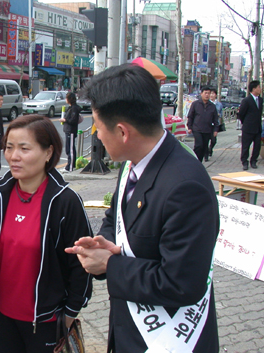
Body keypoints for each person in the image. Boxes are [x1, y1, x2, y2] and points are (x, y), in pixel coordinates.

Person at [66, 64, 219, 353]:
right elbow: (116, 217)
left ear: (123, 132)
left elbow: (182, 283)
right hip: (131, 331)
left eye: (98, 127)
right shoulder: (134, 160)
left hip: (171, 340)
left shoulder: (187, 187)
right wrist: (105, 242)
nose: (96, 135)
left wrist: (110, 264)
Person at [0, 115, 93, 353]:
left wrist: (70, 314)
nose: (13, 156)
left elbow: (82, 265)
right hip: (5, 315)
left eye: (24, 148)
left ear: (48, 152)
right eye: (9, 147)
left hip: (47, 321)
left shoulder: (65, 202)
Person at [187, 86, 219, 162]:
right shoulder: (195, 104)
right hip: (197, 129)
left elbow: (215, 120)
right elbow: (190, 116)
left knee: (204, 147)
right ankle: (195, 160)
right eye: (205, 93)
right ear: (201, 94)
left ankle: (199, 162)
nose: (207, 95)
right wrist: (189, 127)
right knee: (199, 145)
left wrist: (215, 130)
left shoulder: (212, 106)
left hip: (207, 130)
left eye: (209, 93)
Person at [238, 80, 263, 170]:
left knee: (257, 146)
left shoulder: (260, 100)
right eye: (259, 87)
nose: (260, 89)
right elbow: (241, 114)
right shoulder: (246, 100)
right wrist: (245, 122)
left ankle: (253, 161)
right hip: (248, 128)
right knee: (245, 146)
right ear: (254, 89)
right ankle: (245, 162)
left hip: (257, 128)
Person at [59, 92, 81, 172]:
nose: (65, 99)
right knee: (69, 148)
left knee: (70, 149)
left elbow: (73, 120)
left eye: (66, 98)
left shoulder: (74, 108)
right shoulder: (70, 108)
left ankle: (70, 166)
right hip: (68, 130)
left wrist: (65, 120)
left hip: (71, 131)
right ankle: (71, 165)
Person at [209, 88, 223, 158]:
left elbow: (221, 114)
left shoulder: (219, 104)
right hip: (207, 124)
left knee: (214, 140)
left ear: (216, 95)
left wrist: (217, 115)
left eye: (213, 93)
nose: (211, 95)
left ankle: (210, 148)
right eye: (210, 93)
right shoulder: (207, 103)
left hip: (214, 124)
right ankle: (206, 154)